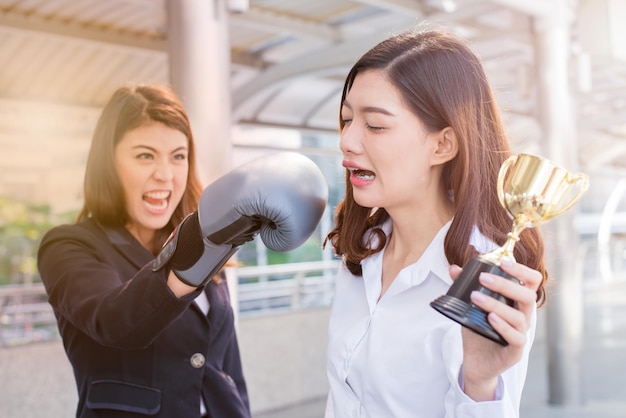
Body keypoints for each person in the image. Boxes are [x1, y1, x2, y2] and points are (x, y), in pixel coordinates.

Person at [37, 83, 328, 418]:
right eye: (144, 155)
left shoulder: (206, 241)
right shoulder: (69, 245)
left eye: (178, 156)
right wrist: (199, 245)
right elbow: (116, 322)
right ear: (108, 163)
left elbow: (226, 369)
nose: (165, 175)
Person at [323, 27, 547, 417]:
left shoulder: (487, 279)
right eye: (346, 119)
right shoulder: (361, 255)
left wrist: (479, 386)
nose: (347, 140)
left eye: (375, 125)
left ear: (442, 144)